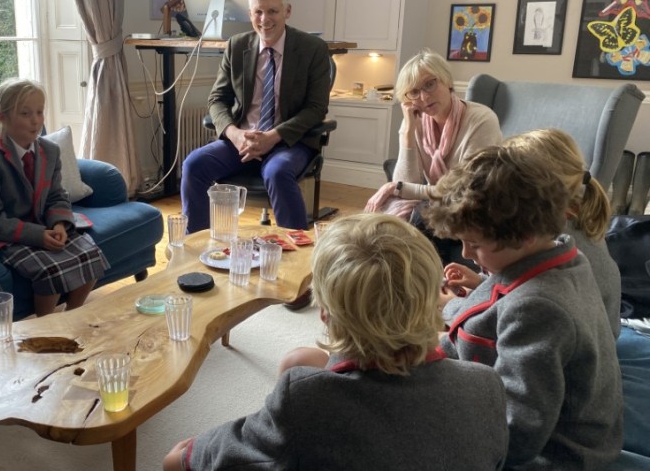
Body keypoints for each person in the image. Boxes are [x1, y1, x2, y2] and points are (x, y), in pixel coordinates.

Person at [163, 214, 509, 471]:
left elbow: (180, 460)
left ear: (325, 313)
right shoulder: (486, 385)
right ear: (436, 299)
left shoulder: (307, 398)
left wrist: (182, 455)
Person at [423, 144, 623, 469]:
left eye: (474, 244)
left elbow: (517, 431)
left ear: (525, 235)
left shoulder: (540, 308)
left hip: (555, 457)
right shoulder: (548, 257)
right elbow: (484, 315)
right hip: (498, 402)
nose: (466, 253)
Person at [180, 0, 331, 232]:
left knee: (277, 172)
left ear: (287, 11)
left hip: (288, 141)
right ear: (250, 13)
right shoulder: (237, 47)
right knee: (193, 165)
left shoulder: (312, 49)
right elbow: (217, 99)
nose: (264, 19)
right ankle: (197, 246)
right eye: (258, 11)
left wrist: (273, 136)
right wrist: (235, 134)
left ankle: (297, 251)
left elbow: (316, 109)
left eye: (272, 11)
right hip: (243, 141)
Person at [445, 128, 621, 339]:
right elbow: (527, 282)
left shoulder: (549, 234)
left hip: (578, 337)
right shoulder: (567, 221)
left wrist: (452, 306)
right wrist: (482, 283)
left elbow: (532, 304)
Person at [0, 78, 109, 316]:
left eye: (39, 112)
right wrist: (37, 236)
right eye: (25, 113)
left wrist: (60, 223)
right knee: (50, 269)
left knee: (92, 254)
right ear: (2, 117)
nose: (35, 120)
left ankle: (73, 315)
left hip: (40, 221)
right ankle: (46, 323)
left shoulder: (49, 150)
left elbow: (56, 195)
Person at [364, 49, 501, 265]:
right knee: (383, 223)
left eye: (430, 84)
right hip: (438, 200)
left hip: (478, 204)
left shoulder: (482, 120)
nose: (424, 97)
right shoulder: (416, 122)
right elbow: (407, 184)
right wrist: (408, 132)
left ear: (446, 80)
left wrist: (395, 187)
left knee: (423, 213)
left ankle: (422, 281)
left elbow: (465, 190)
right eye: (414, 92)